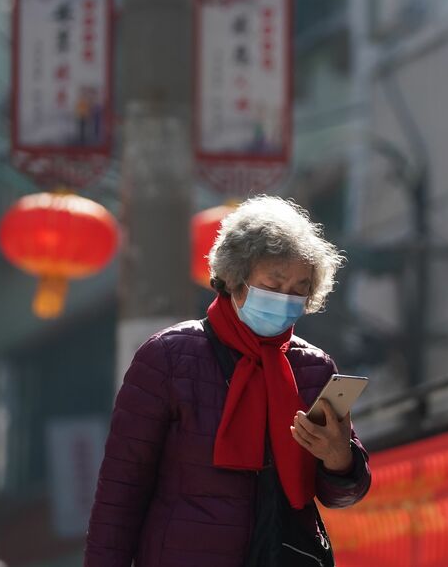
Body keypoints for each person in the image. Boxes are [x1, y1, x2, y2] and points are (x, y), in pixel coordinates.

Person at [84, 196, 371, 566]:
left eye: (299, 288)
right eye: (274, 284)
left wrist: (340, 460)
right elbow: (120, 492)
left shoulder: (314, 368)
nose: (286, 299)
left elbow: (343, 494)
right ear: (235, 279)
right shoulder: (168, 357)